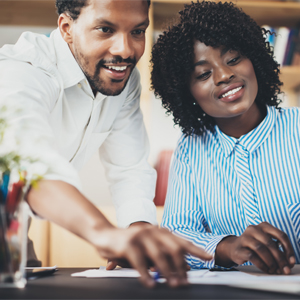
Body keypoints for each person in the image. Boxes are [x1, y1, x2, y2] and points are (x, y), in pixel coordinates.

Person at [0, 0, 212, 288]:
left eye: (138, 31)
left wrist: (138, 232)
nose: (125, 50)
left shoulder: (122, 79)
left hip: (12, 238)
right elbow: (27, 163)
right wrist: (105, 234)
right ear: (66, 28)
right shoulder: (22, 71)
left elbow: (129, 168)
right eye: (105, 29)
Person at [151, 0, 300, 275]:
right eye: (203, 74)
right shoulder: (191, 149)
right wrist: (227, 247)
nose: (224, 75)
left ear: (254, 59)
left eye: (233, 59)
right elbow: (177, 233)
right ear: (187, 93)